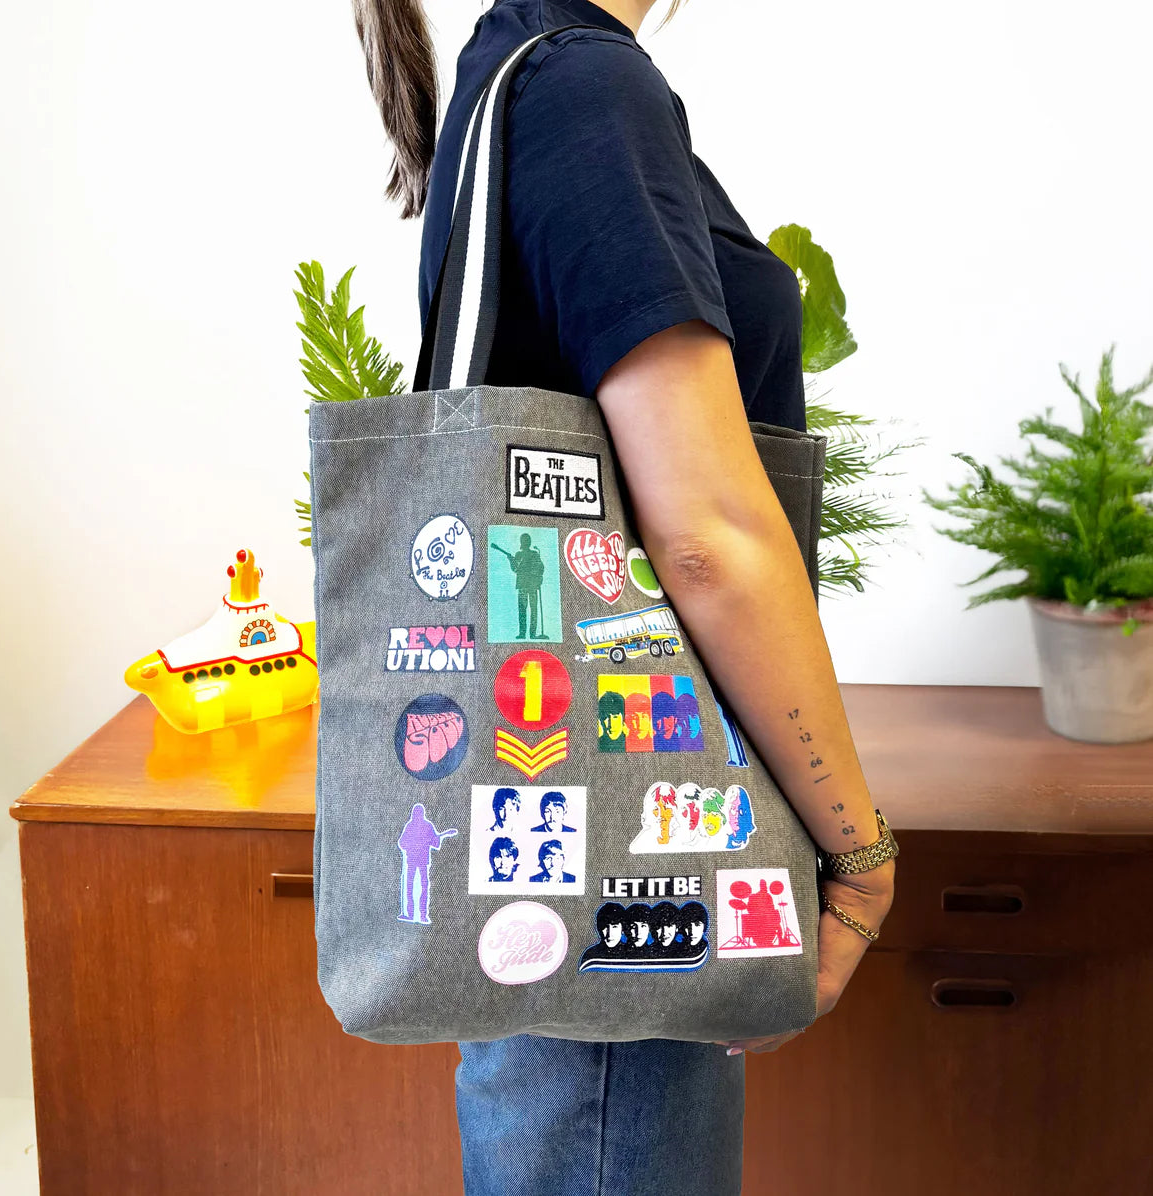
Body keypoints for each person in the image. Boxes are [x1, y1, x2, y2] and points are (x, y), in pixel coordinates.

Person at [354, 0, 897, 1190]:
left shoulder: (517, 69)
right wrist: (861, 852)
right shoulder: (585, 89)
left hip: (576, 846)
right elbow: (702, 537)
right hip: (627, 886)